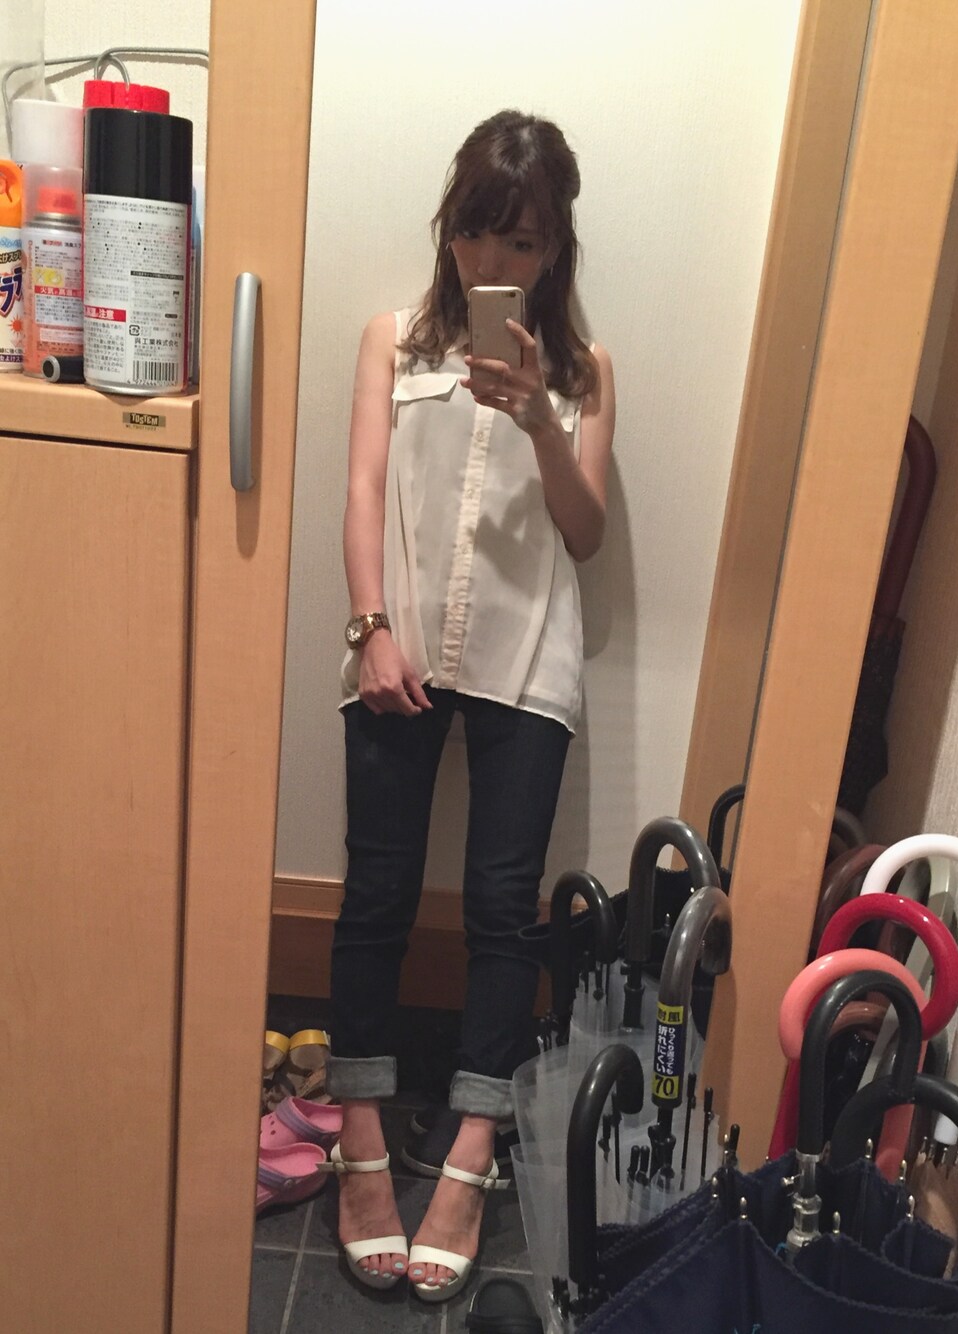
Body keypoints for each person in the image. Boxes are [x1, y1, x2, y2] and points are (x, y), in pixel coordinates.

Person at [327, 107, 615, 1303]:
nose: (494, 261)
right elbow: (362, 489)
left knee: (502, 909)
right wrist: (371, 627)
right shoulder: (392, 342)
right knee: (377, 890)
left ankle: (469, 1148)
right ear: (449, 230)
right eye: (477, 234)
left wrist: (541, 416)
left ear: (554, 251)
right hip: (397, 646)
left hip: (526, 654)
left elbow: (583, 534)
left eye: (524, 242)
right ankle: (357, 1133)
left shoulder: (585, 374)